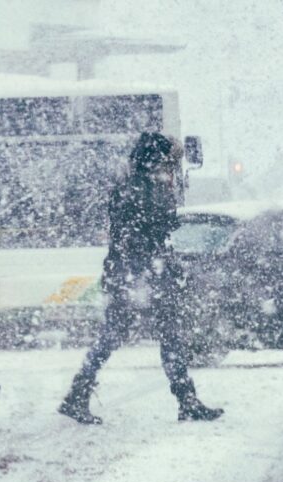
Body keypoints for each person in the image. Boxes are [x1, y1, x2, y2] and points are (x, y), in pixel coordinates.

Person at [58, 132, 224, 424]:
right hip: (140, 276)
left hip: (136, 274)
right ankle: (185, 401)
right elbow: (144, 233)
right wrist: (148, 271)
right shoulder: (142, 189)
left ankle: (79, 394)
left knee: (130, 336)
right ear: (155, 160)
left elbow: (144, 231)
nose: (172, 168)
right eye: (169, 161)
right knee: (146, 336)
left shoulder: (136, 186)